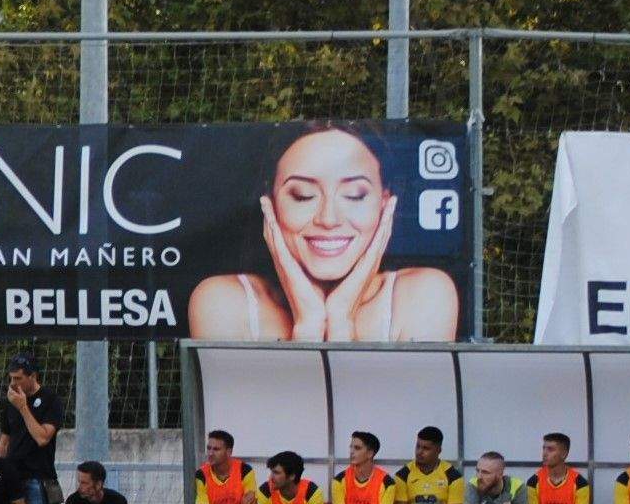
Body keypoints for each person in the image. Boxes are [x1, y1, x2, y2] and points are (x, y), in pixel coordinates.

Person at [185, 124, 463, 344]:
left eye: (354, 195)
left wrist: (342, 321)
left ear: (385, 202)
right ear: (270, 203)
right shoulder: (222, 301)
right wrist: (308, 326)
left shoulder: (424, 295)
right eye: (303, 195)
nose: (328, 219)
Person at [0, 361, 64, 504]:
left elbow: (42, 437)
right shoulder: (10, 401)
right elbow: (4, 440)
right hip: (11, 479)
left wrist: (24, 408)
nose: (13, 383)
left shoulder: (51, 400)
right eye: (11, 378)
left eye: (18, 378)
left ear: (32, 376)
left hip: (38, 479)